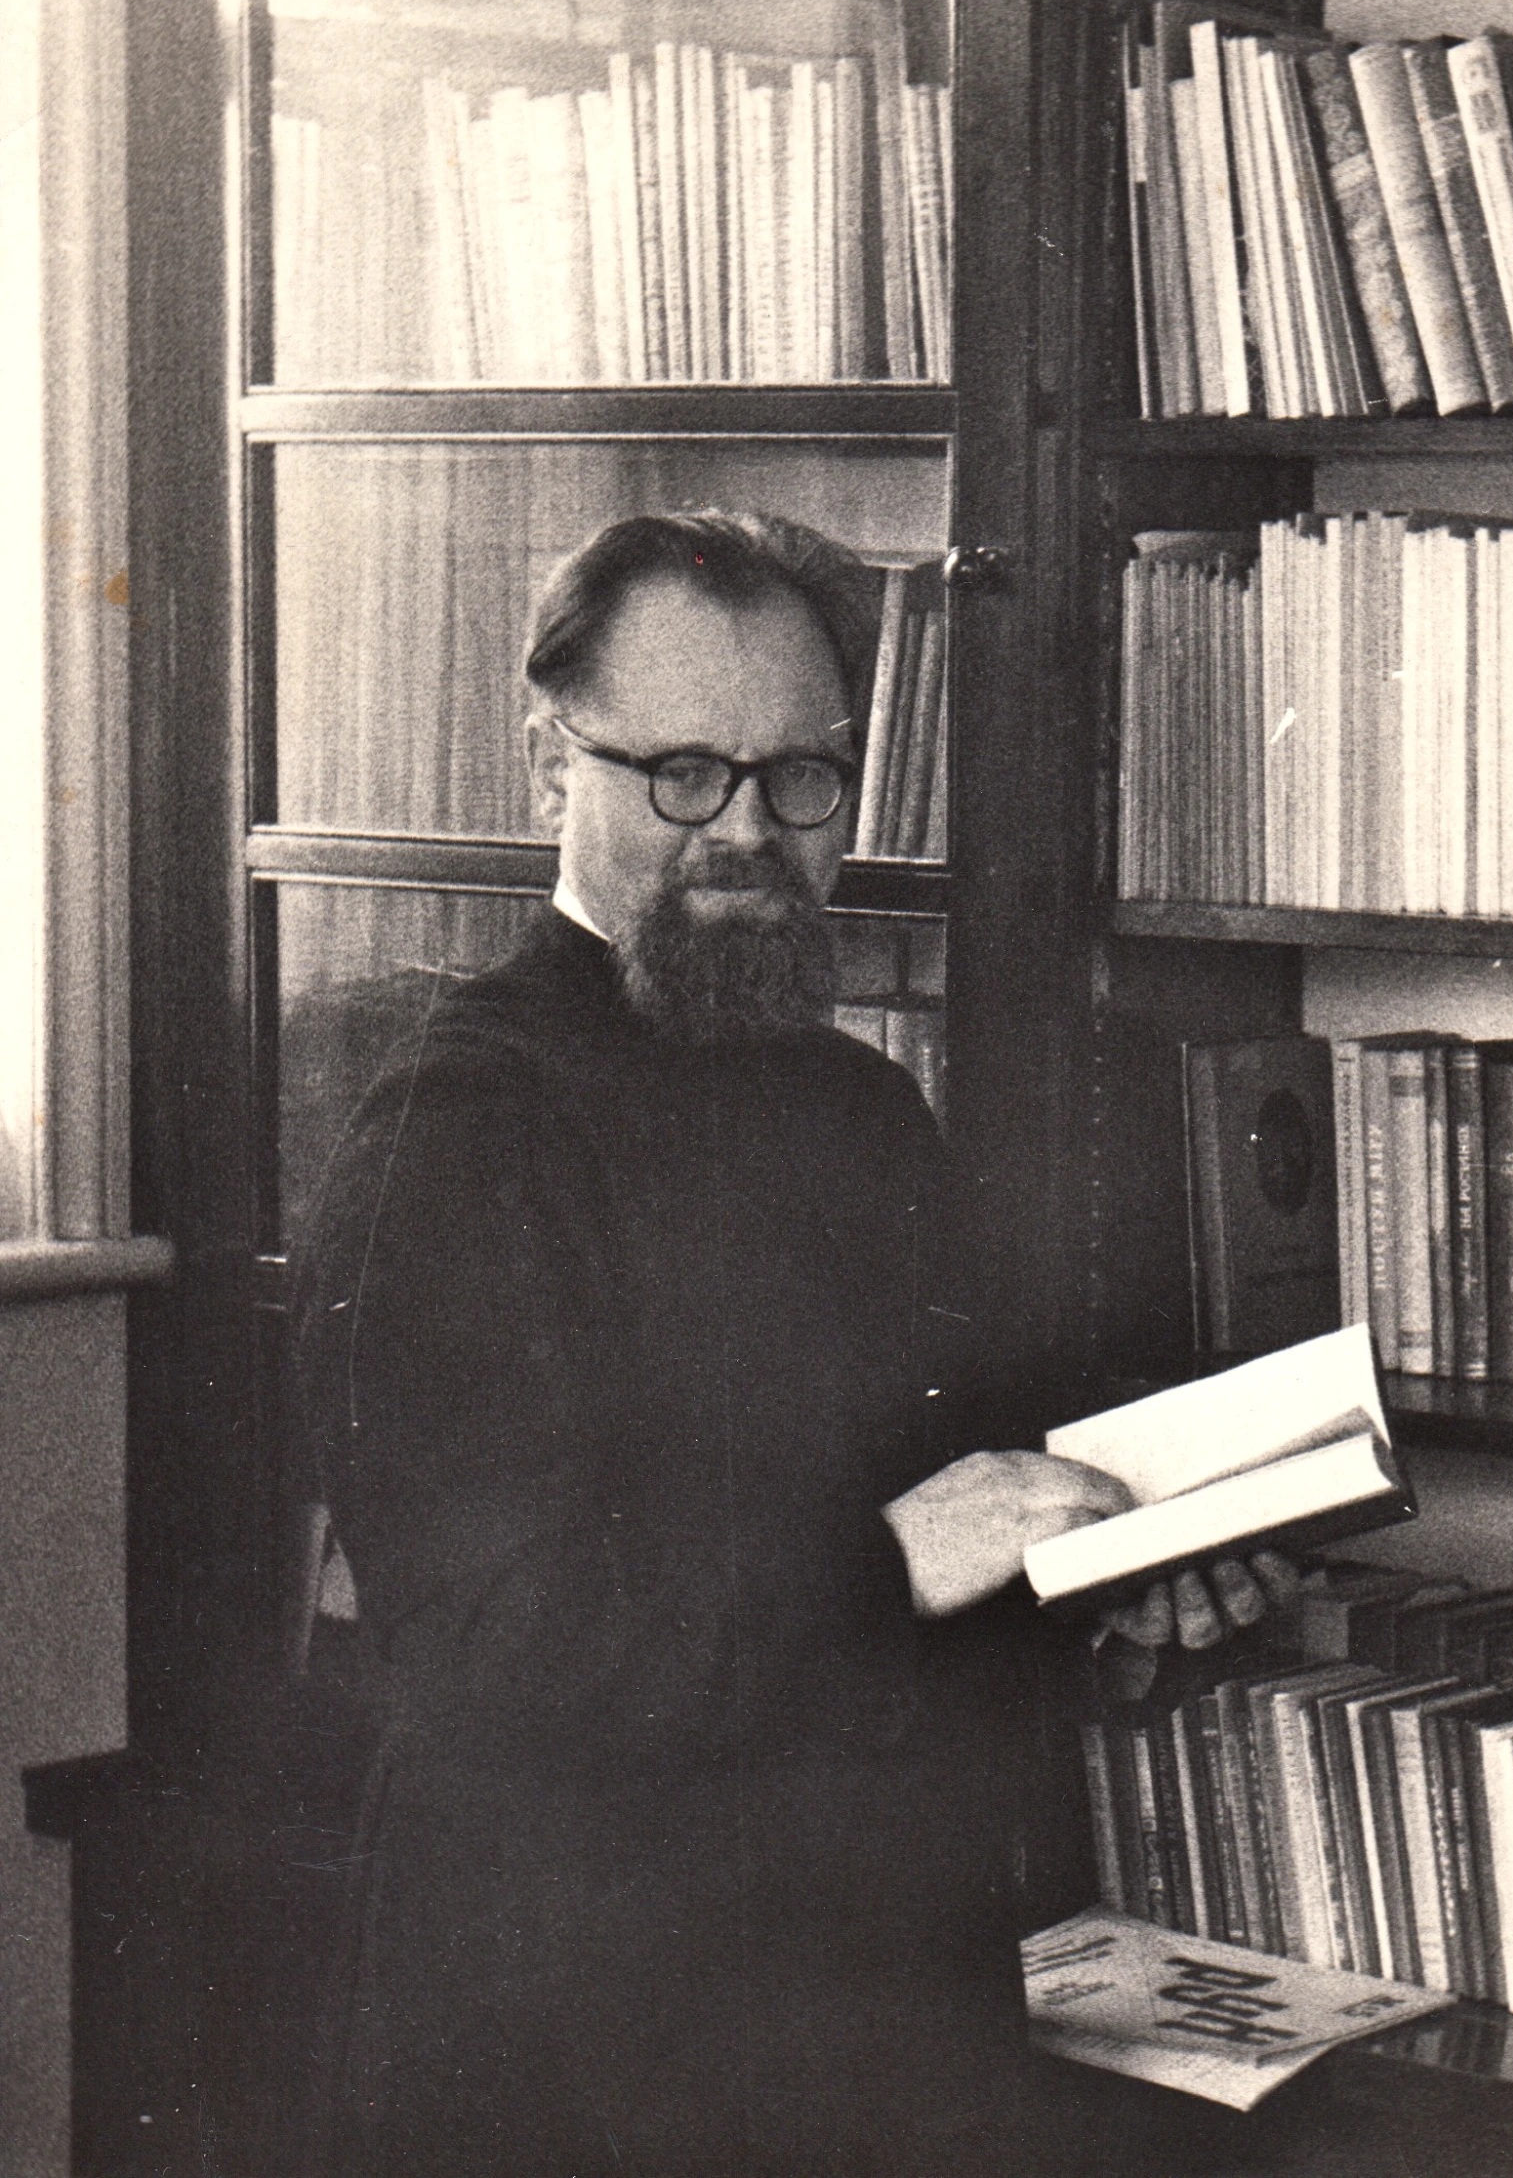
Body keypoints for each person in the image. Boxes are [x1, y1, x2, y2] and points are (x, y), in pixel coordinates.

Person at [291, 511, 1288, 2178]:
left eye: (801, 779)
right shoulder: (454, 1135)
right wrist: (901, 1555)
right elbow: (507, 1658)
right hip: (569, 2049)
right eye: (683, 772)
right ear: (552, 766)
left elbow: (944, 1588)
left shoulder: (865, 1115)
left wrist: (1121, 1606)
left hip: (872, 2028)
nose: (747, 833)